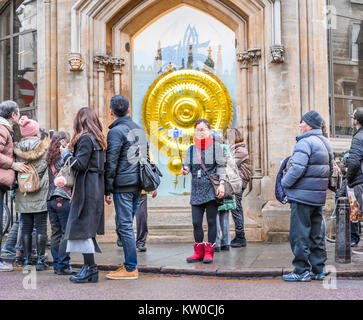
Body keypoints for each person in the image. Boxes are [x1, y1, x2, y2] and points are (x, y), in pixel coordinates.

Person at [281, 110, 332, 282]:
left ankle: (301, 270)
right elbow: (331, 170)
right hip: (318, 196)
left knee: (299, 234)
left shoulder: (304, 143)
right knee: (316, 234)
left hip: (302, 197)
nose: (300, 125)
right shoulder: (325, 142)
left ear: (309, 124)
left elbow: (296, 169)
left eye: (302, 122)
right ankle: (319, 270)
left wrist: (284, 183)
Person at [58, 107, 106, 283]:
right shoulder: (98, 140)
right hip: (95, 186)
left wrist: (65, 155)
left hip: (86, 188)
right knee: (86, 229)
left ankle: (90, 269)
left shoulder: (86, 139)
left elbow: (80, 165)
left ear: (80, 121)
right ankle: (89, 269)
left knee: (84, 228)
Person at [104, 95, 147, 280]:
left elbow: (111, 163)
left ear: (111, 112)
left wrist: (107, 189)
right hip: (137, 184)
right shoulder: (139, 129)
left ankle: (130, 268)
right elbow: (146, 159)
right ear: (128, 110)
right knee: (126, 225)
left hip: (123, 185)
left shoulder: (115, 132)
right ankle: (129, 263)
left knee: (125, 226)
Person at [182, 119, 226, 264]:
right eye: (197, 129)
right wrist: (185, 169)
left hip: (210, 189)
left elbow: (221, 167)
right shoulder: (191, 149)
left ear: (209, 131)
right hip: (196, 190)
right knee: (196, 222)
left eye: (203, 129)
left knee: (212, 221)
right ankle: (198, 252)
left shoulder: (215, 148)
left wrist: (222, 184)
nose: (200, 132)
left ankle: (209, 252)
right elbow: (187, 164)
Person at [15, 116, 50, 271]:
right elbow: (44, 167)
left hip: (23, 191)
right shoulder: (43, 146)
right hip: (40, 190)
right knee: (41, 226)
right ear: (35, 131)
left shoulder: (16, 148)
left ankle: (28, 260)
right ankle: (41, 261)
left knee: (26, 226)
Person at [0, 100, 29, 271]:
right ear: (13, 115)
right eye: (18, 112)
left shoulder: (5, 129)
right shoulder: (2, 129)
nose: (19, 115)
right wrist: (13, 165)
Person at [46, 131, 76, 275]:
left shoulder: (50, 157)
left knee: (56, 233)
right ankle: (63, 265)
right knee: (65, 233)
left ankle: (57, 265)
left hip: (51, 199)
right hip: (63, 198)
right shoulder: (63, 158)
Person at [225, 128, 251, 248]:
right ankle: (239, 236)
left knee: (236, 209)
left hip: (238, 183)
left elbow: (230, 164)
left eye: (227, 138)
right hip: (235, 182)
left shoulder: (240, 150)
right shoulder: (235, 149)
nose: (226, 140)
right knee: (236, 208)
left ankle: (240, 237)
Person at [346, 107, 363, 247]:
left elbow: (354, 162)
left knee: (356, 209)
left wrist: (349, 179)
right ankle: (354, 237)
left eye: (353, 117)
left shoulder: (358, 137)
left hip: (359, 181)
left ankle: (354, 238)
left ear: (356, 120)